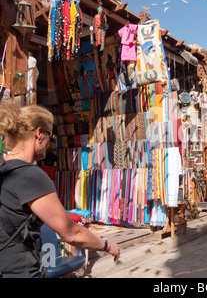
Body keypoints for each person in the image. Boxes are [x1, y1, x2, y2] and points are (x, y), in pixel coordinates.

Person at [0, 102, 120, 278]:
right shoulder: (30, 176)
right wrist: (106, 245)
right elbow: (71, 233)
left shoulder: (4, 169)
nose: (51, 142)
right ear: (39, 134)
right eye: (51, 135)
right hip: (19, 271)